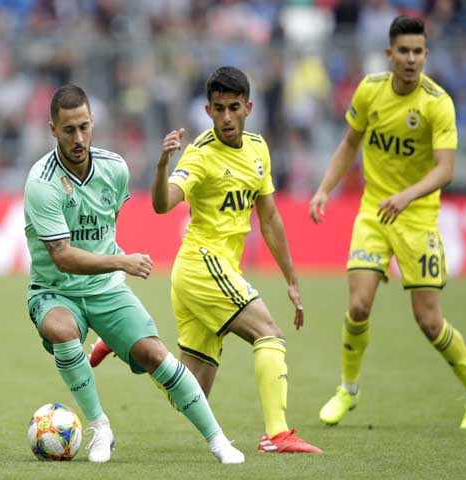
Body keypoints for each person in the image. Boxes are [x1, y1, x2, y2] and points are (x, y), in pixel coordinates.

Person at [91, 66, 321, 454]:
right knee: (269, 333)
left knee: (191, 391)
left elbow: (269, 217)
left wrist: (291, 278)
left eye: (234, 108)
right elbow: (163, 205)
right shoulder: (199, 155)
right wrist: (163, 163)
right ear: (208, 110)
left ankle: (125, 339)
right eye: (218, 109)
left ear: (248, 107)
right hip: (203, 264)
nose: (226, 117)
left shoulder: (258, 148)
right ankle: (277, 434)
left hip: (212, 271)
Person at [24, 84, 245, 464]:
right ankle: (100, 428)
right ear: (52, 130)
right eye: (68, 130)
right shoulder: (41, 183)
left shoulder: (114, 169)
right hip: (54, 289)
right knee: (63, 331)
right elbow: (62, 257)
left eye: (84, 127)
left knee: (154, 354)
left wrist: (112, 270)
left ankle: (219, 441)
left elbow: (104, 227)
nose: (78, 138)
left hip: (106, 290)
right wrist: (122, 262)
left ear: (93, 123)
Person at [308, 15, 466, 429]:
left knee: (428, 321)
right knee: (357, 305)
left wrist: (407, 197)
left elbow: (445, 169)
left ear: (426, 54)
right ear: (390, 54)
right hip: (374, 211)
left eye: (418, 52)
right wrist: (323, 189)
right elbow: (348, 144)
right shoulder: (370, 90)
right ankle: (347, 389)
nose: (411, 59)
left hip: (418, 219)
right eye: (404, 51)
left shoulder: (436, 102)